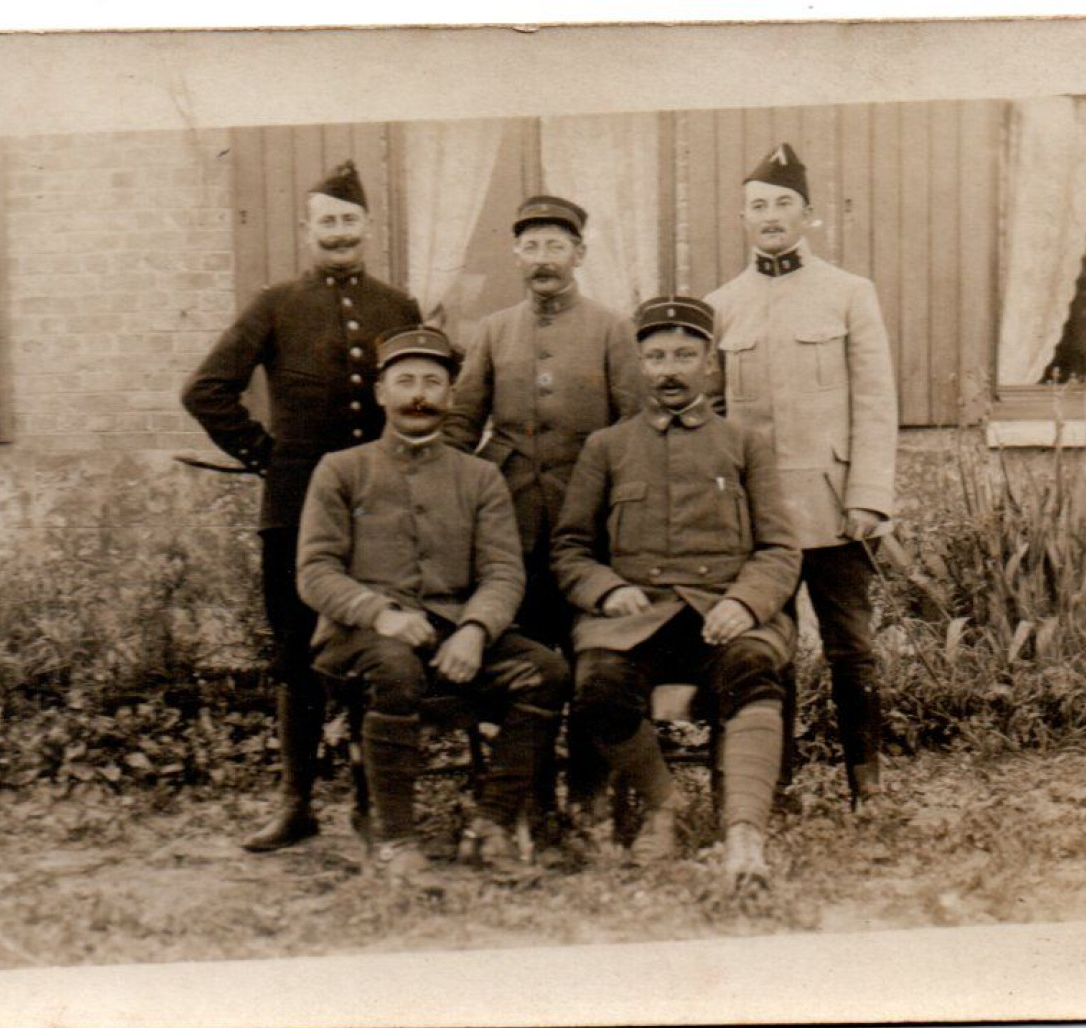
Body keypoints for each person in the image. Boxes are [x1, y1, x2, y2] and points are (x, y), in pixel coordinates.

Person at [181, 161, 422, 852]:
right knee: (295, 656)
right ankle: (296, 802)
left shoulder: (397, 308)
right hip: (292, 508)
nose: (340, 233)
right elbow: (205, 390)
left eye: (350, 221)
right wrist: (268, 456)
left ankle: (372, 804)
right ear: (306, 230)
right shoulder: (275, 304)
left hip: (376, 509)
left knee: (375, 644)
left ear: (368, 229)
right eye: (328, 222)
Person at [297, 326, 570, 877]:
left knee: (546, 670)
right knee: (395, 669)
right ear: (381, 394)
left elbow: (501, 572)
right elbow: (315, 572)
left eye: (432, 382)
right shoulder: (341, 470)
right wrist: (382, 616)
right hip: (358, 639)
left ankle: (490, 826)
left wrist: (475, 630)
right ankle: (394, 836)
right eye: (404, 382)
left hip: (452, 633)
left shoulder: (480, 476)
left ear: (449, 396)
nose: (418, 395)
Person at [552, 297, 800, 888]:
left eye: (685, 355)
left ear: (709, 364)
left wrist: (745, 602)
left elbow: (779, 548)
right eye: (656, 356)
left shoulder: (745, 444)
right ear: (639, 364)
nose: (670, 369)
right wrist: (607, 591)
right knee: (598, 687)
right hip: (633, 619)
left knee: (754, 670)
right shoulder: (606, 447)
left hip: (723, 615)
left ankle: (744, 835)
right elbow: (570, 549)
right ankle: (664, 803)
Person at [704, 143, 899, 808]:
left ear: (807, 215)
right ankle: (775, 780)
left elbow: (874, 402)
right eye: (757, 206)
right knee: (768, 650)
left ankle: (864, 780)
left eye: (782, 204)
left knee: (852, 647)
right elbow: (717, 422)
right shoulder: (721, 305)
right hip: (761, 521)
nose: (769, 217)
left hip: (833, 507)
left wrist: (868, 495)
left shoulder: (848, 294)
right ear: (742, 218)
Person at [442, 194, 645, 828]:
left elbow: (636, 428)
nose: (542, 260)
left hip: (588, 528)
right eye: (531, 247)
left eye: (555, 246)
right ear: (516, 256)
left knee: (589, 662)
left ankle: (586, 795)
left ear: (579, 255)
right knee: (526, 662)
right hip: (510, 527)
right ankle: (526, 798)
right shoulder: (494, 330)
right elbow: (460, 424)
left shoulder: (612, 329)